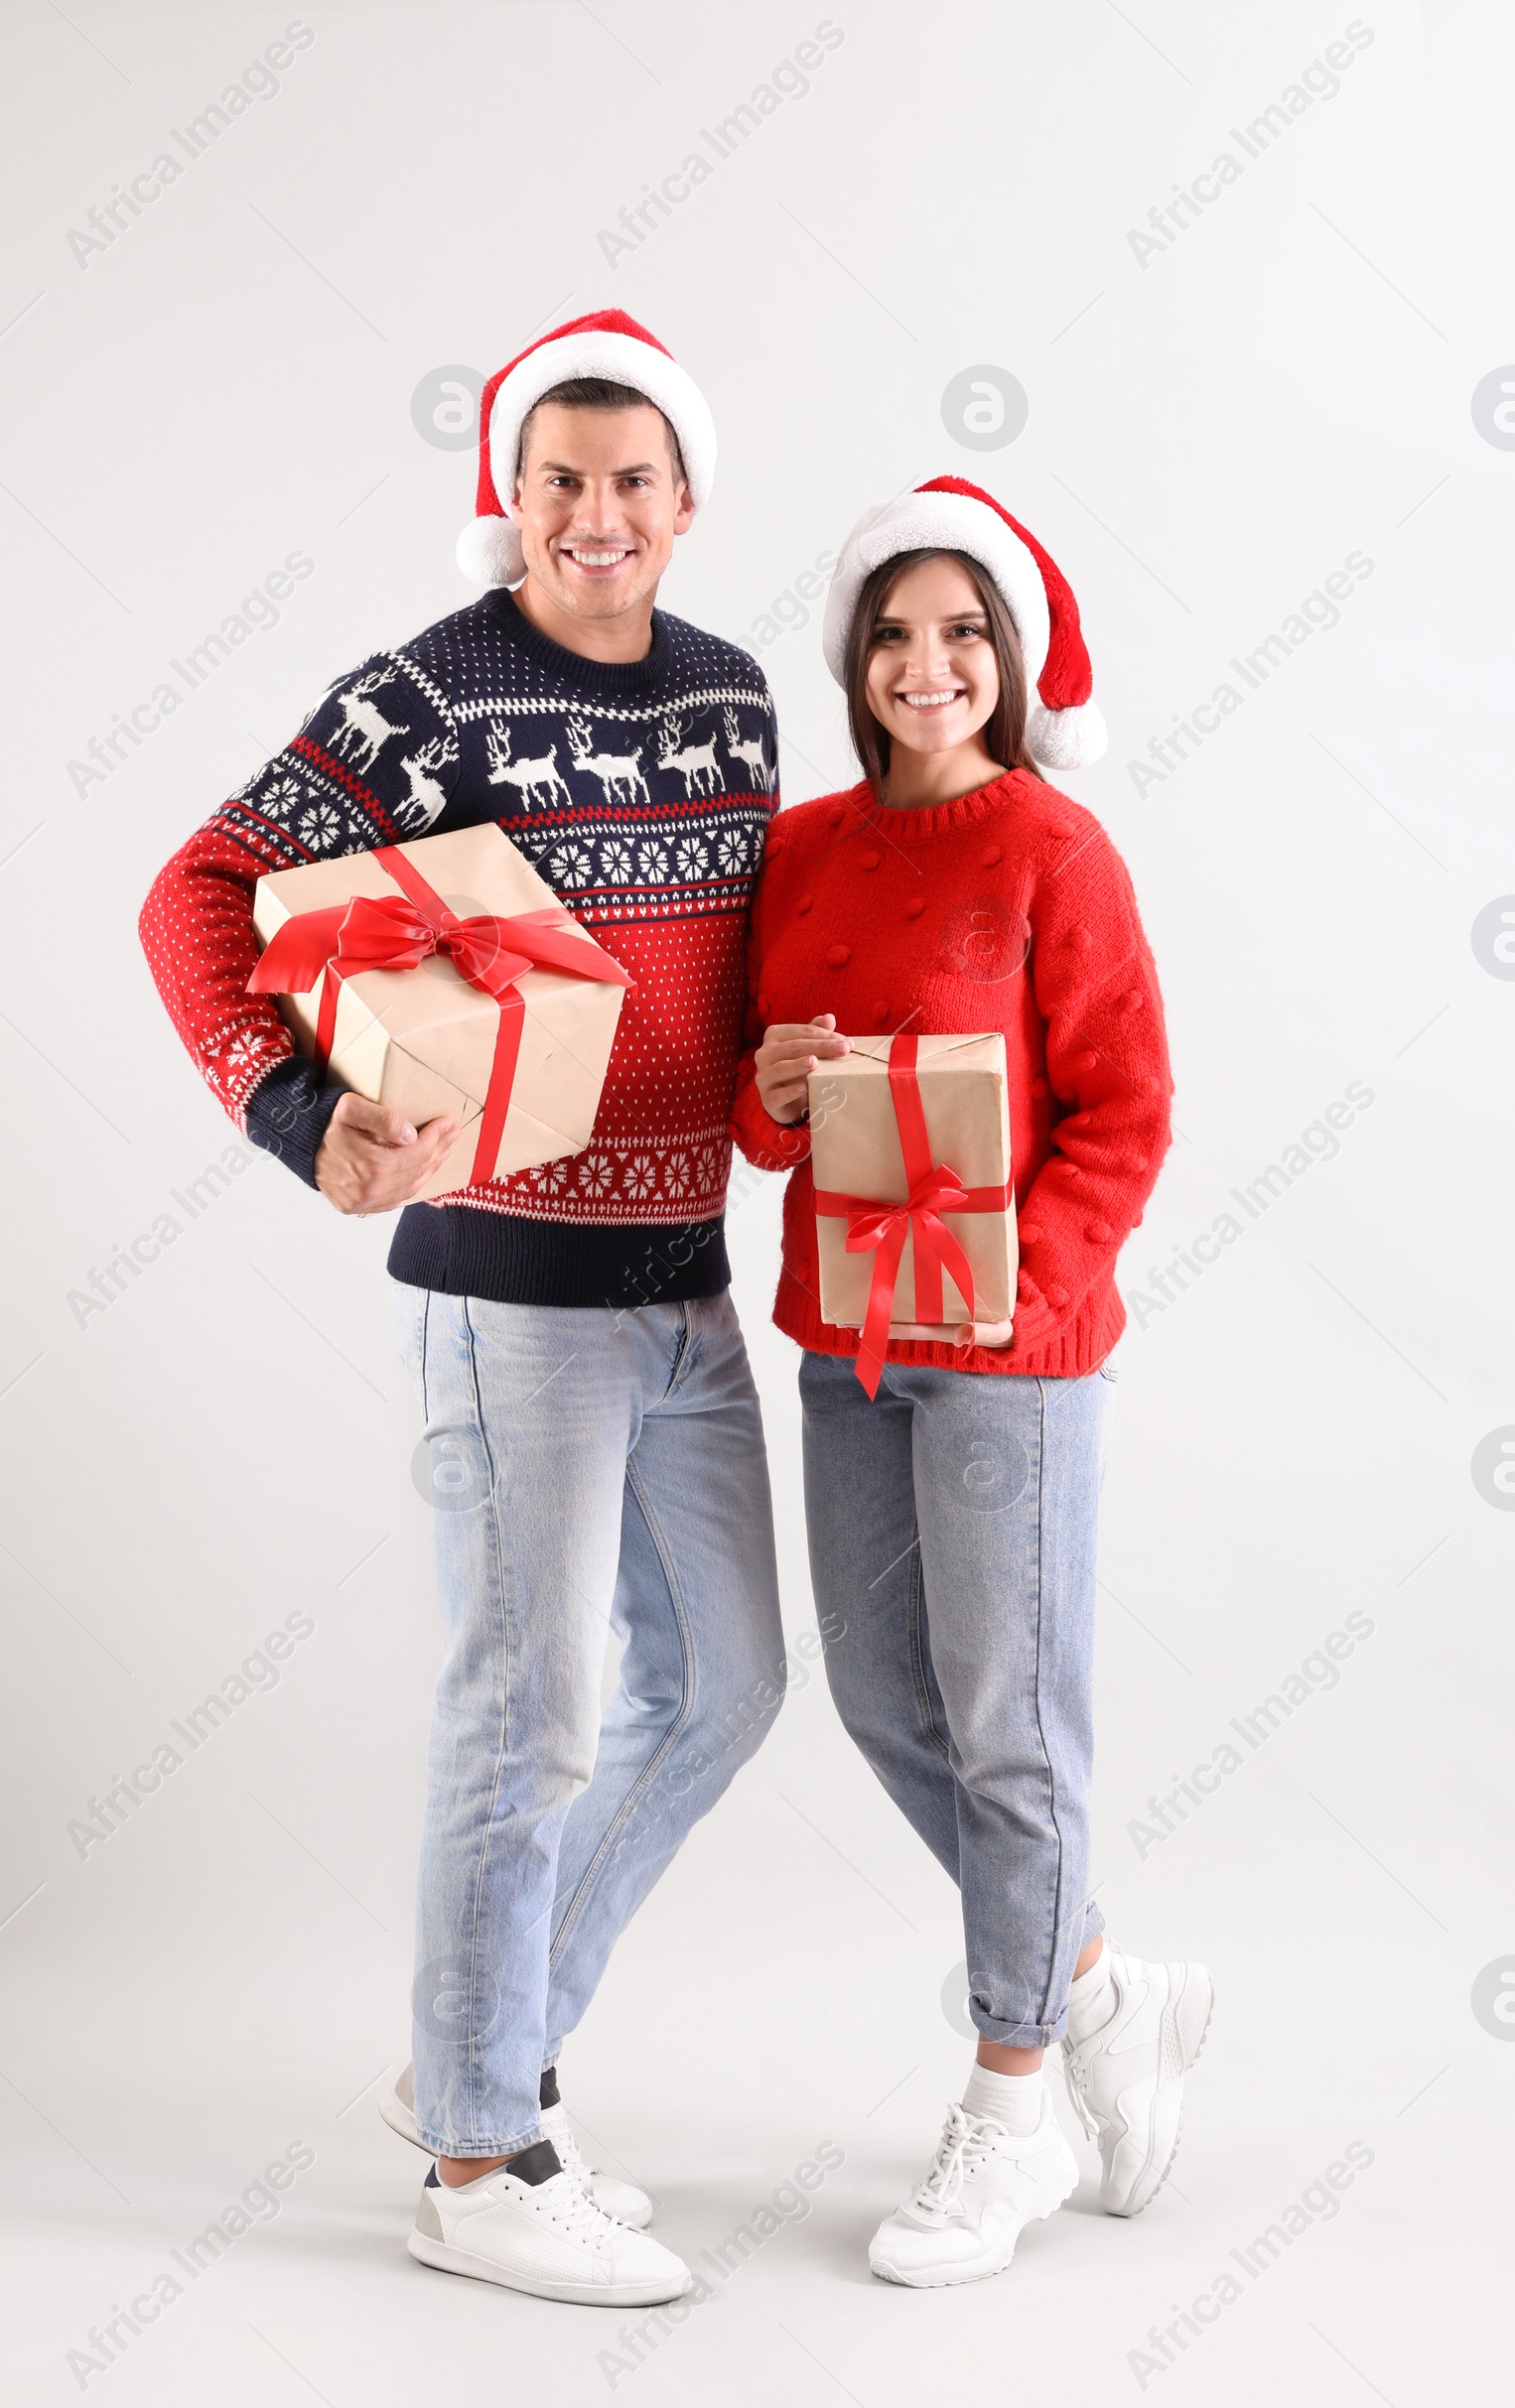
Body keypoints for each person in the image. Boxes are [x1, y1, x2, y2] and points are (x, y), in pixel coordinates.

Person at [140, 310, 789, 2309]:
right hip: (513, 1297)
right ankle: (481, 2157)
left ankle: (467, 2051)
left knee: (729, 1685)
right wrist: (288, 1102)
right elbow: (198, 888)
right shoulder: (434, 695)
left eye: (628, 483)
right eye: (553, 484)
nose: (592, 518)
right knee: (530, 1717)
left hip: (685, 1289)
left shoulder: (738, 700)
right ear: (502, 503)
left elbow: (719, 986)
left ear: (685, 502)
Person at [730, 475, 1212, 2288]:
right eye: (894, 631)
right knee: (881, 1700)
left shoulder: (1055, 851)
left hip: (1007, 1354)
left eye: (961, 632)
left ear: (1005, 660)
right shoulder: (803, 846)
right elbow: (763, 1118)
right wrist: (768, 1097)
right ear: (857, 657)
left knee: (1011, 1723)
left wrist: (1036, 1281)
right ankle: (1097, 1980)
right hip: (852, 1339)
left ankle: (1012, 2102)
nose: (926, 663)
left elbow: (1127, 1109)